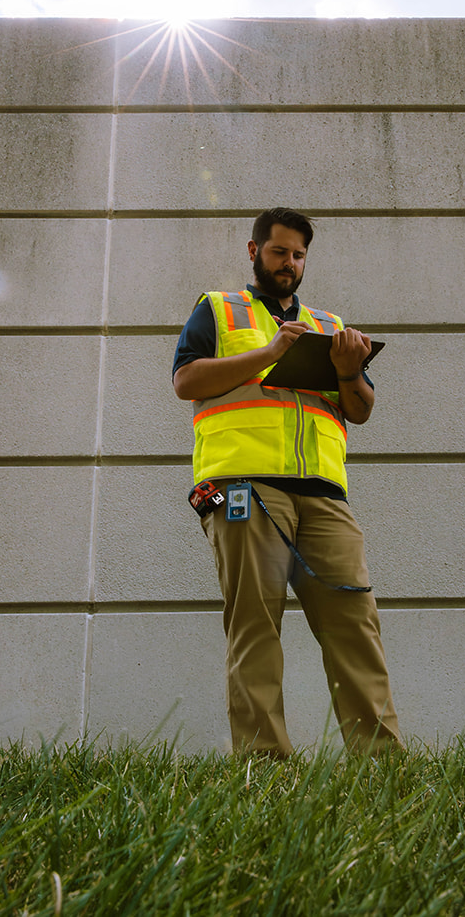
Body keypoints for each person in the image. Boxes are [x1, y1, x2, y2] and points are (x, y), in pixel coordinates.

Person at [172, 207, 402, 758]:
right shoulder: (218, 310)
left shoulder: (329, 327)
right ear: (254, 252)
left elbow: (361, 409)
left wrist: (349, 369)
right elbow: (185, 380)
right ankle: (264, 770)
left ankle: (383, 768)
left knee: (356, 627)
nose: (289, 264)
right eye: (279, 252)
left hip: (324, 496)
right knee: (255, 627)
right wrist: (271, 352)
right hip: (242, 489)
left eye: (299, 255)